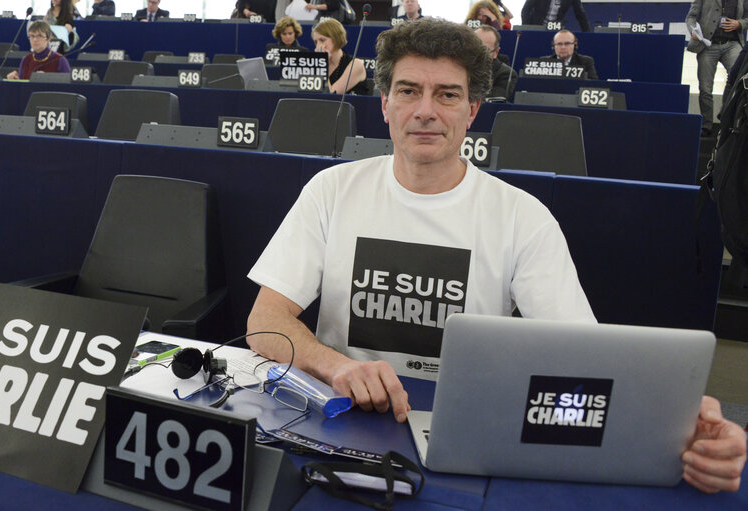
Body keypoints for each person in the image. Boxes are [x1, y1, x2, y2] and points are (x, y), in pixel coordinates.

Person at [245, 17, 746, 494]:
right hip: (340, 423)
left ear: (472, 110)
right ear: (384, 104)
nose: (425, 111)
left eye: (447, 95)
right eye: (408, 91)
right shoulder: (332, 190)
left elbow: (588, 360)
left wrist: (677, 423)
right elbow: (265, 319)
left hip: (473, 435)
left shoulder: (521, 217)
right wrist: (334, 366)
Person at [686, 0, 747, 137]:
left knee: (736, 79)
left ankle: (725, 116)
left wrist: (739, 24)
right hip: (707, 45)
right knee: (705, 88)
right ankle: (706, 124)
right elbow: (691, 17)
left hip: (732, 44)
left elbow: (746, 18)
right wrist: (693, 31)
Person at [311, 18, 368, 94]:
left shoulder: (356, 65)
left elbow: (330, 95)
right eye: (316, 42)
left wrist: (323, 64)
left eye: (322, 40)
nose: (318, 46)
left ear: (336, 39)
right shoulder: (315, 64)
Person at [5, 21, 71, 80]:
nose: (35, 40)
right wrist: (15, 80)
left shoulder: (59, 60)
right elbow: (22, 87)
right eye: (32, 36)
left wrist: (47, 79)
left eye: (39, 36)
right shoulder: (26, 60)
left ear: (48, 39)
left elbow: (67, 86)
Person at [475, 25, 516, 98]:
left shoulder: (506, 74)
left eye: (485, 50)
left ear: (496, 53)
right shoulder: (458, 67)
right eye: (475, 47)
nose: (478, 53)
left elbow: (493, 100)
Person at [521, 0, 591, 32]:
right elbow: (525, 10)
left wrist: (588, 33)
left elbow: (581, 15)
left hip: (557, 29)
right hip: (537, 27)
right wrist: (526, 28)